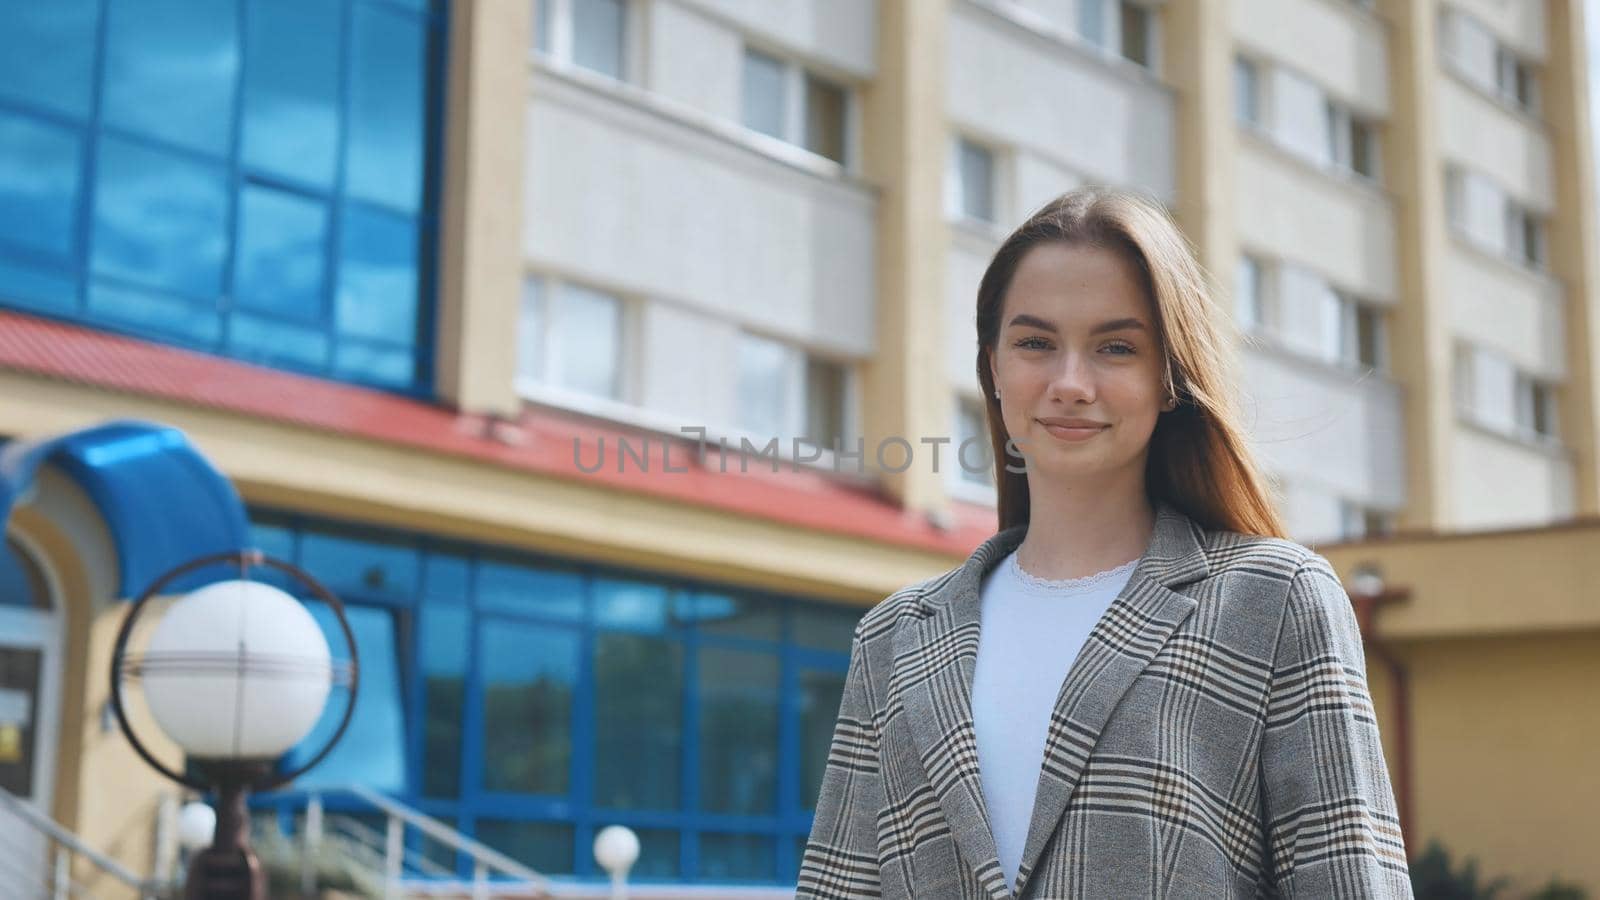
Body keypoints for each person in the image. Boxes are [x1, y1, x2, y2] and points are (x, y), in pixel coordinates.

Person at [797, 188, 1411, 898]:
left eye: (1116, 348)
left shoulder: (1272, 602)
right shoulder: (895, 637)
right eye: (1035, 343)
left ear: (1169, 377)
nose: (1070, 383)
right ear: (994, 367)